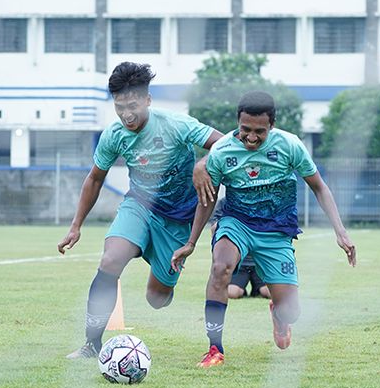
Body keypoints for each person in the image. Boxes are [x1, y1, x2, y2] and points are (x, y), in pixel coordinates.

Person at [171, 90, 356, 368]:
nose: (252, 137)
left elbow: (319, 186)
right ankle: (214, 348)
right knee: (221, 267)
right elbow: (207, 201)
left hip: (276, 231)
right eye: (245, 129)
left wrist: (341, 232)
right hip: (237, 223)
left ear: (272, 125)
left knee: (291, 311)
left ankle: (280, 316)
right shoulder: (222, 152)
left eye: (260, 131)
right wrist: (191, 242)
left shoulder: (290, 146)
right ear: (237, 122)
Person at [58, 62, 223, 358]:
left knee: (156, 299)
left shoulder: (176, 124)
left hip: (177, 219)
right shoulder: (114, 135)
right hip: (139, 206)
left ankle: (161, 275)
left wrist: (203, 163)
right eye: (119, 107)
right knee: (110, 261)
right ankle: (91, 345)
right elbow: (95, 178)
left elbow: (224, 144)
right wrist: (75, 225)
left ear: (147, 99)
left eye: (132, 105)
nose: (126, 114)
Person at [211, 198, 270, 299]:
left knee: (269, 293)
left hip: (259, 260)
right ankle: (242, 289)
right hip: (239, 262)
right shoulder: (225, 202)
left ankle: (258, 289)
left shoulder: (264, 201)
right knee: (232, 293)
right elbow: (214, 230)